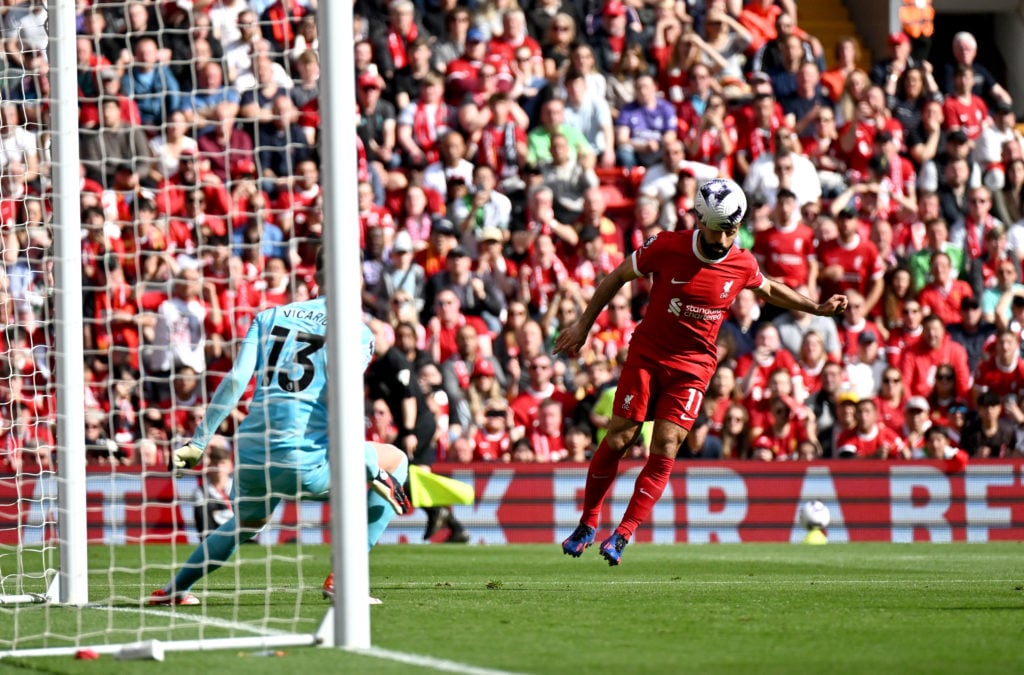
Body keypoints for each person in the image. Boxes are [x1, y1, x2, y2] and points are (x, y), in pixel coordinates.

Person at [557, 179, 848, 565]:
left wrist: (817, 308)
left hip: (694, 367)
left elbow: (771, 289)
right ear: (701, 221)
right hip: (647, 354)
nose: (727, 236)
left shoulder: (742, 262)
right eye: (720, 228)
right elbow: (615, 278)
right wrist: (583, 325)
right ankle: (588, 522)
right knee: (620, 438)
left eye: (733, 228)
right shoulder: (666, 246)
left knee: (665, 446)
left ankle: (623, 535)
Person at [151, 251, 412, 606]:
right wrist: (371, 469)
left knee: (244, 523)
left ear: (314, 277)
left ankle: (174, 590)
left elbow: (236, 380)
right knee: (396, 461)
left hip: (253, 453)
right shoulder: (357, 332)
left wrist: (199, 443)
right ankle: (345, 579)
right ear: (356, 282)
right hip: (304, 462)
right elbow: (343, 403)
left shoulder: (270, 315)